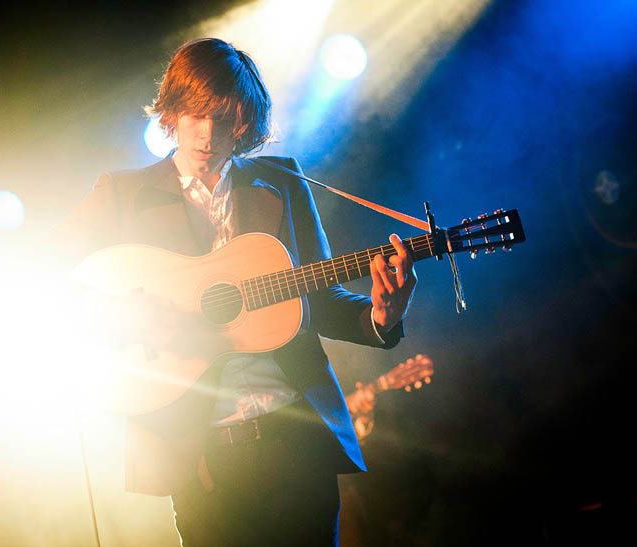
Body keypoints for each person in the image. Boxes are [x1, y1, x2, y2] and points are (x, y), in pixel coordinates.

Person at [52, 38, 417, 546]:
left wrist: (382, 314)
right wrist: (124, 316)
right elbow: (46, 278)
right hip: (200, 454)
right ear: (173, 110)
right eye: (196, 114)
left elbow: (320, 300)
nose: (207, 133)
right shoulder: (123, 193)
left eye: (224, 119)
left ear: (244, 122)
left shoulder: (282, 182)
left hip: (296, 441)